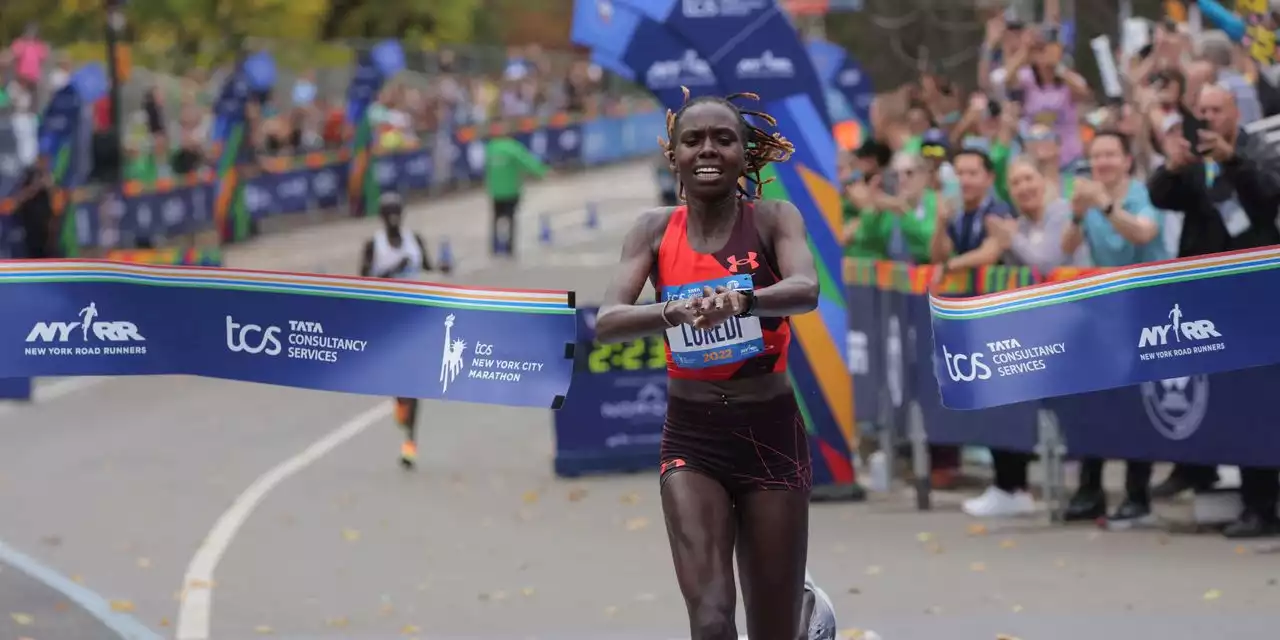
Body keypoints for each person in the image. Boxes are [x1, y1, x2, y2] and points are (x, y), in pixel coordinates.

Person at [594, 88, 819, 640]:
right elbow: (608, 320)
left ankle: (809, 620)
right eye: (692, 140)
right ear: (674, 157)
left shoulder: (773, 219)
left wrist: (746, 299)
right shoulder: (652, 230)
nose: (708, 150)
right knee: (713, 620)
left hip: (771, 433)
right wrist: (673, 310)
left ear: (746, 154)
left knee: (773, 631)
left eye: (724, 139)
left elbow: (806, 289)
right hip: (693, 439)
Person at [1148, 83, 1280, 538]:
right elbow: (1161, 197)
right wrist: (1171, 167)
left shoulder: (1257, 147)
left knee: (1255, 399)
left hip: (1253, 287)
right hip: (1205, 289)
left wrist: (1230, 159)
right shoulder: (1193, 155)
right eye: (1201, 109)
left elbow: (1267, 199)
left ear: (1233, 112)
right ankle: (1215, 481)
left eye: (1215, 110)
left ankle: (1262, 503)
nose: (1207, 117)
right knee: (1220, 396)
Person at [1060, 130, 1169, 528]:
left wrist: (1104, 205)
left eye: (1110, 155)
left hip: (1145, 311)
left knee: (1135, 405)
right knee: (1095, 402)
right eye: (1096, 156)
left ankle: (1137, 495)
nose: (1102, 163)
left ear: (1126, 160)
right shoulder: (1089, 201)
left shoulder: (1140, 194)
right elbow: (1067, 246)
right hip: (1106, 313)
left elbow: (1144, 233)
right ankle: (1090, 490)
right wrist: (1076, 213)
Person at [358, 193, 443, 469]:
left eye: (397, 213)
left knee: (415, 382)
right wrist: (392, 270)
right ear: (382, 217)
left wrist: (444, 266)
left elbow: (428, 267)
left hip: (414, 318)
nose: (394, 219)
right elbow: (362, 283)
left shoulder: (415, 240)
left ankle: (410, 443)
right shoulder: (374, 246)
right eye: (388, 214)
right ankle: (399, 403)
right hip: (386, 320)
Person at [483, 134, 548, 258]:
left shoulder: (491, 148)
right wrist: (542, 172)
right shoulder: (513, 148)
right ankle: (509, 247)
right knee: (511, 219)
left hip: (496, 191)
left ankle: (495, 246)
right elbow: (527, 163)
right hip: (511, 190)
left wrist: (489, 187)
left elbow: (487, 170)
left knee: (496, 219)